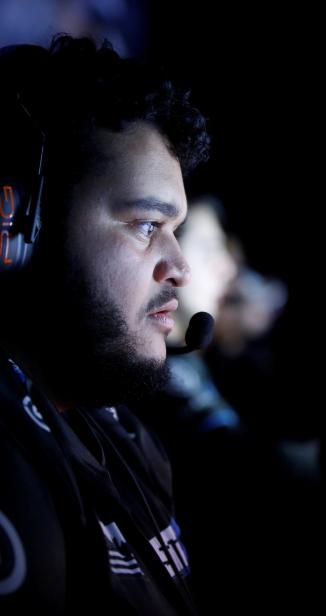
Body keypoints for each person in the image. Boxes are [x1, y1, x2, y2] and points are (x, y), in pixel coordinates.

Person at [0, 35, 209, 614]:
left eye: (177, 230)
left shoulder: (124, 434)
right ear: (18, 229)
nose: (181, 268)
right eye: (146, 225)